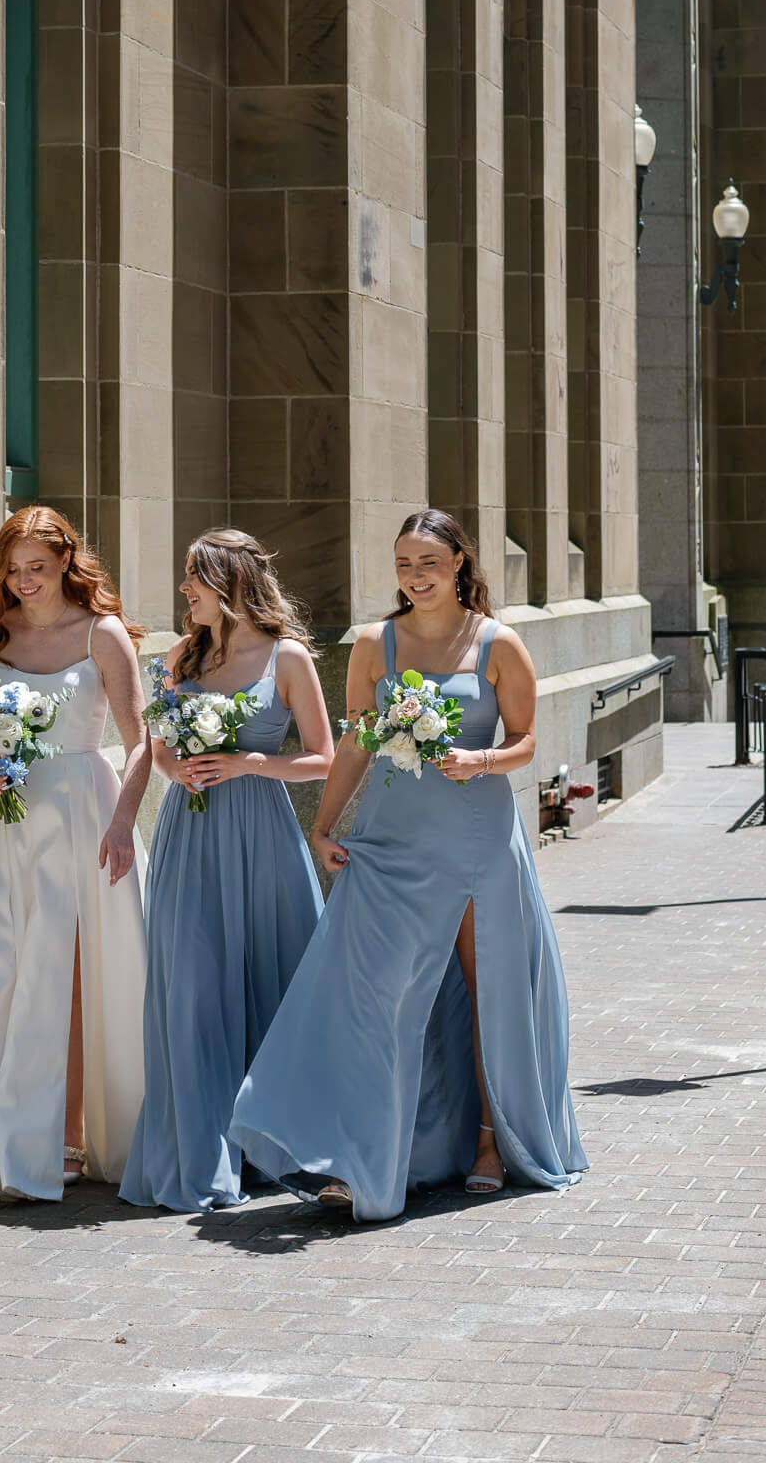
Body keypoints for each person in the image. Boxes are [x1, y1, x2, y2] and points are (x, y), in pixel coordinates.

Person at [231, 507, 588, 1219]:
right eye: (401, 564)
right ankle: (359, 1147)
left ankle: (490, 1140)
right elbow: (356, 744)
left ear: (458, 561)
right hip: (390, 841)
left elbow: (523, 741)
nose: (414, 576)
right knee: (375, 998)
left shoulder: (496, 643)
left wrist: (478, 758)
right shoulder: (374, 644)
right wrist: (324, 826)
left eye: (426, 562)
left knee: (483, 991)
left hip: (473, 838)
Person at [0, 506, 150, 1200]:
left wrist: (121, 823)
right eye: (13, 569)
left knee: (66, 972)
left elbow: (140, 740)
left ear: (66, 565)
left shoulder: (101, 635)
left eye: (38, 569)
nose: (25, 582)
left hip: (80, 814)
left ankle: (69, 1136)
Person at [120, 529, 334, 1212]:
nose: (184, 591)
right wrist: (176, 768)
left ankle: (273, 1145)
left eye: (193, 578)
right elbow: (154, 747)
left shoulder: (288, 658)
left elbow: (323, 757)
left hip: (262, 838)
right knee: (190, 990)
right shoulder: (181, 656)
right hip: (189, 835)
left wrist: (247, 764)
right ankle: (201, 1150)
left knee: (270, 982)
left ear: (229, 582)